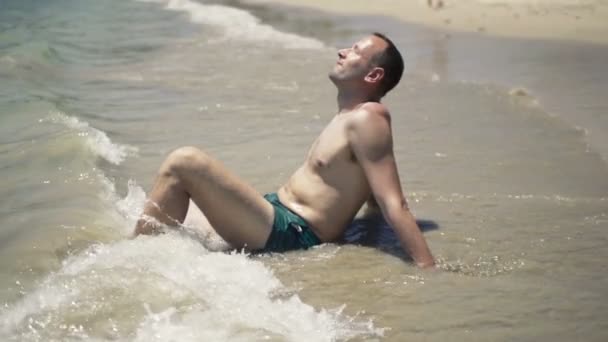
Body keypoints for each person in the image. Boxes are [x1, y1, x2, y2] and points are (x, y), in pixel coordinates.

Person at [134, 33, 435, 268]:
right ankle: (151, 258)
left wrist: (428, 268)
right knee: (180, 210)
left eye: (356, 50)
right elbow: (370, 185)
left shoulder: (369, 118)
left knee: (183, 163)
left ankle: (132, 260)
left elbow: (395, 204)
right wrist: (370, 222)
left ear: (373, 76)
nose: (343, 51)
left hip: (292, 233)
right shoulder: (350, 117)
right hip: (276, 212)